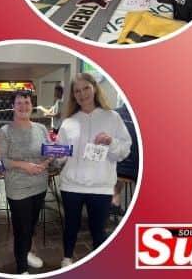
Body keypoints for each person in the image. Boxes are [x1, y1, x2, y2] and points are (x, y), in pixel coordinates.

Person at [57, 73, 132, 268]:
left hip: (101, 187)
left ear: (94, 89)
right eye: (77, 91)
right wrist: (55, 154)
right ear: (73, 96)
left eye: (86, 89)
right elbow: (62, 155)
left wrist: (111, 141)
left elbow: (124, 151)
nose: (82, 94)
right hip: (71, 186)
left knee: (98, 230)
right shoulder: (69, 122)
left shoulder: (112, 117)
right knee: (70, 227)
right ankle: (67, 259)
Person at [0, 91, 51, 274]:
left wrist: (46, 162)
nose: (23, 106)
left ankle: (25, 253)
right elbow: (1, 161)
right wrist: (23, 165)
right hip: (18, 188)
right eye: (19, 103)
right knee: (22, 229)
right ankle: (21, 269)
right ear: (13, 106)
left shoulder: (41, 129)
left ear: (31, 105)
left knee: (32, 225)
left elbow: (48, 152)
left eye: (26, 102)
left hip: (40, 185)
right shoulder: (4, 131)